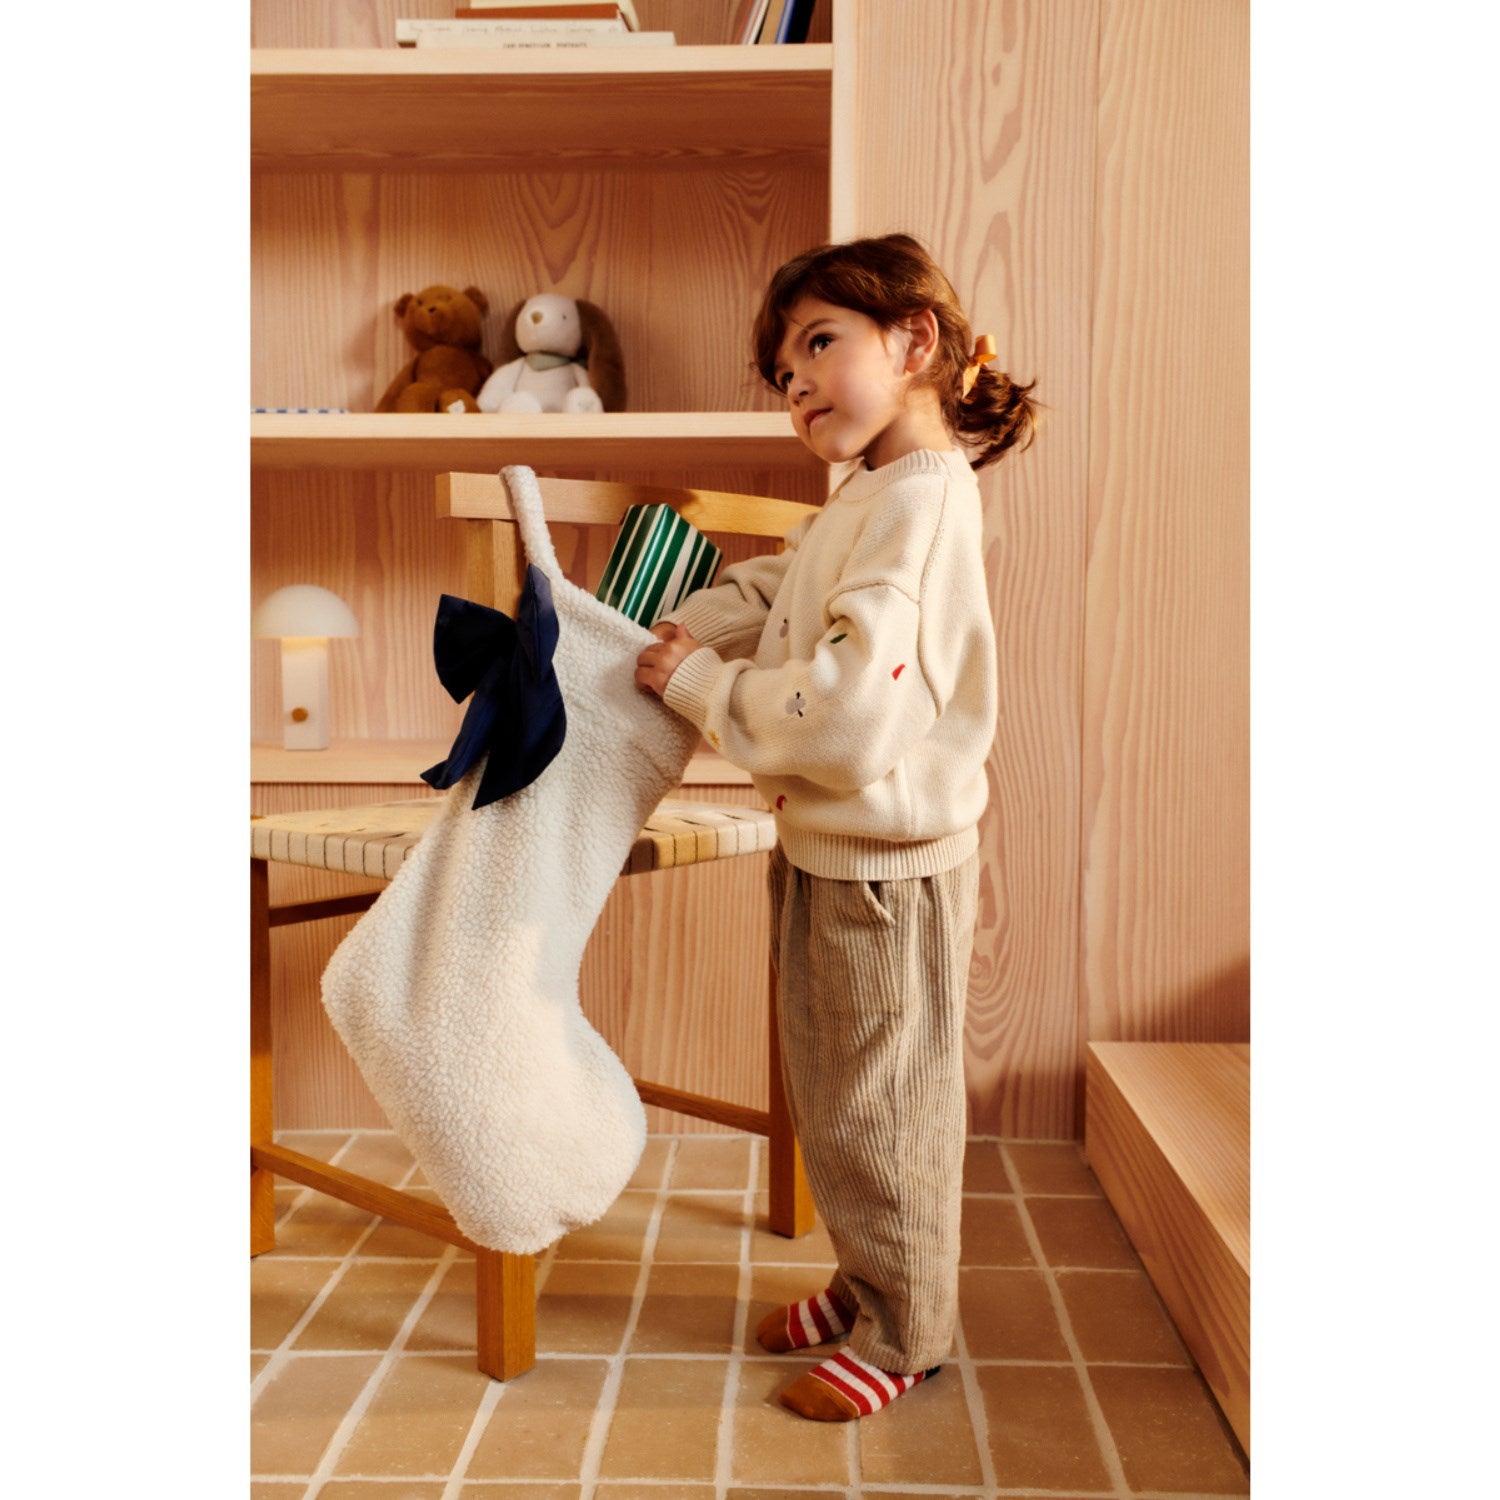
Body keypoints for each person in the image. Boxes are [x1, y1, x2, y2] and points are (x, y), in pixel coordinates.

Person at [634, 233, 1037, 1422]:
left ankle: (908, 1329)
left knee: (883, 1106)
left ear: (914, 341)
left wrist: (702, 689)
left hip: (887, 870)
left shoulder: (921, 504)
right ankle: (867, 1282)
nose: (798, 383)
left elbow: (855, 711)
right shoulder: (869, 494)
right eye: (783, 371)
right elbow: (786, 588)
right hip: (831, 850)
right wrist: (689, 625)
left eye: (819, 344)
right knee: (833, 1093)